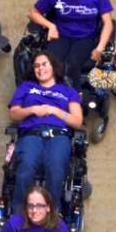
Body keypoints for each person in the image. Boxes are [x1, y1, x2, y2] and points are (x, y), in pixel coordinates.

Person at [8, 52, 83, 212]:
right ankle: (19, 214)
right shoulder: (26, 87)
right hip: (31, 133)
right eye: (36, 66)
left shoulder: (68, 92)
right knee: (26, 167)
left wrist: (55, 111)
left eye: (44, 64)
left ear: (53, 67)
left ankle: (51, 213)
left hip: (59, 135)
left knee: (56, 169)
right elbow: (14, 114)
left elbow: (77, 121)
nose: (40, 68)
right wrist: (33, 109)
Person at [29, 0, 114, 88]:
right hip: (62, 35)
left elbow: (108, 23)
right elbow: (33, 13)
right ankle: (48, 95)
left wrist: (100, 48)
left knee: (72, 64)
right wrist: (50, 25)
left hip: (85, 37)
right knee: (49, 64)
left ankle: (74, 97)